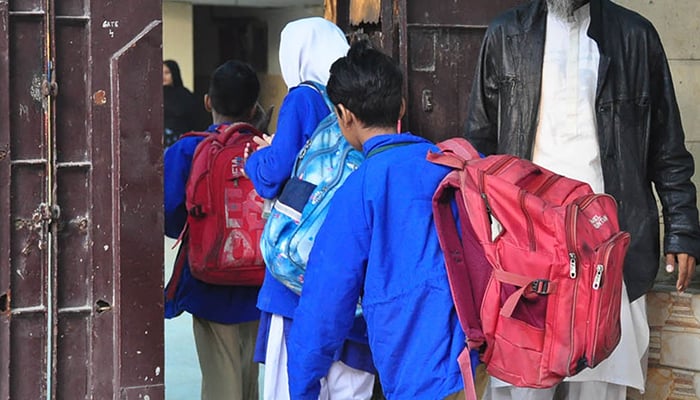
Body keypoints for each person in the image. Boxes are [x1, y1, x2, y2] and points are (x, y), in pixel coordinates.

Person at [464, 0, 700, 398]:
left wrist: (682, 229)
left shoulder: (635, 37)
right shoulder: (504, 36)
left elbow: (667, 147)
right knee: (523, 381)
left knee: (600, 383)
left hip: (607, 247)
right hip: (527, 245)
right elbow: (479, 144)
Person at [286, 40, 467, 400]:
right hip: (474, 363)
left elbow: (325, 305)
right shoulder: (450, 164)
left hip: (416, 371)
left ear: (344, 115)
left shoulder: (360, 188)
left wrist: (303, 387)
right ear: (401, 105)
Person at [243, 17, 376, 400]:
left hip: (297, 269)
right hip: (350, 265)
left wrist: (260, 155)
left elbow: (273, 174)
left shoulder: (304, 96)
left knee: (292, 381)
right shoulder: (359, 98)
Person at [164, 60, 262, 400]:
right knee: (250, 377)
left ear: (208, 101)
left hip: (208, 282)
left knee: (221, 382)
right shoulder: (267, 149)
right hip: (260, 284)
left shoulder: (189, 149)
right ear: (255, 106)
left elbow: (168, 212)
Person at [163, 59, 198, 148]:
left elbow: (194, 119)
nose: (163, 76)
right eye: (161, 73)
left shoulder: (185, 95)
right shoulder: (155, 96)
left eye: (167, 73)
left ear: (174, 73)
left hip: (182, 142)